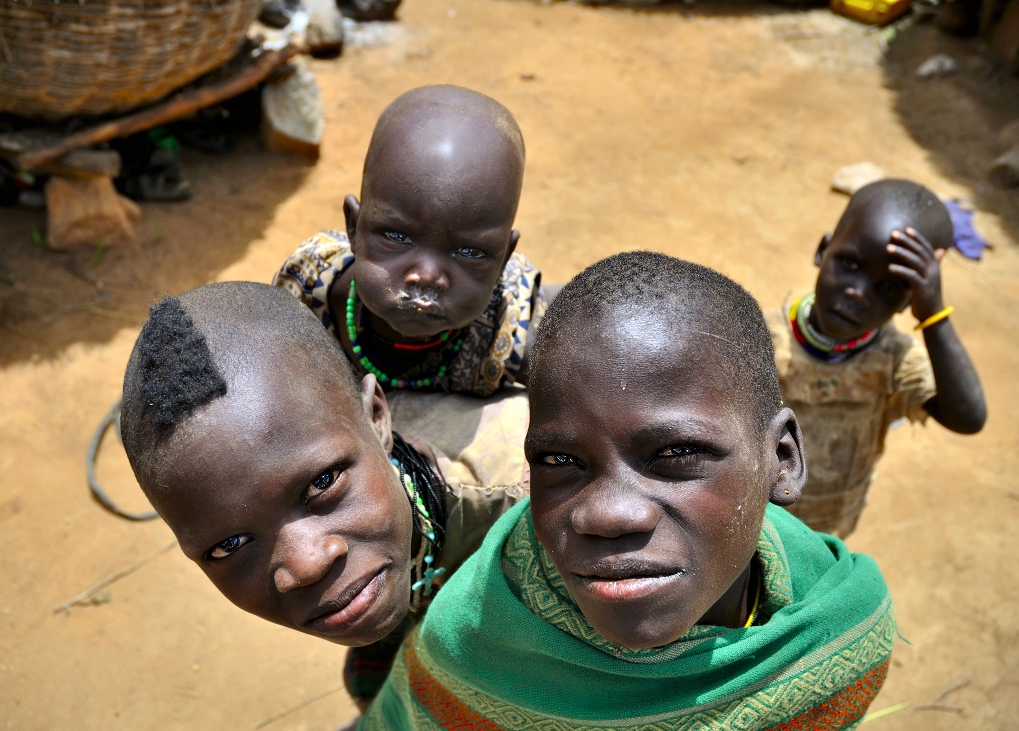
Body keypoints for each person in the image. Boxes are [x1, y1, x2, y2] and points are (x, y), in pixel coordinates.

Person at [361, 252, 896, 731]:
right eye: (561, 461)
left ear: (782, 461)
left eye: (676, 454)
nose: (608, 514)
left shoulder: (835, 626)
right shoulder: (476, 646)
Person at [118, 282, 526, 708]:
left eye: (321, 483)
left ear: (376, 417)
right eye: (229, 545)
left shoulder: (537, 507)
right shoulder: (366, 565)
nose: (306, 565)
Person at [272, 85, 547, 397]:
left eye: (470, 252)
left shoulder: (511, 333)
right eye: (396, 236)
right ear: (354, 227)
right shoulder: (304, 293)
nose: (427, 276)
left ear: (504, 258)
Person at [766, 179, 986, 537]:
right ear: (823, 250)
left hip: (829, 526)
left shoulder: (894, 360)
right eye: (850, 263)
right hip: (757, 516)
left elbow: (968, 417)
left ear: (908, 301)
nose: (858, 292)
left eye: (889, 287)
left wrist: (934, 317)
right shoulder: (763, 338)